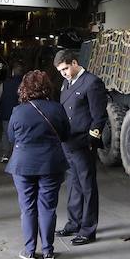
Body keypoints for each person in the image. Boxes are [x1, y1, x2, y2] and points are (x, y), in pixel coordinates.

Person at [6, 70, 70, 259]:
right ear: (47, 87)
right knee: (48, 207)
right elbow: (66, 134)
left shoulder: (18, 111)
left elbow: (11, 137)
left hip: (23, 165)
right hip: (51, 164)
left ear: (24, 89)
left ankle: (29, 251)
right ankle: (48, 251)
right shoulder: (57, 109)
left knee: (27, 208)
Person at [55, 50, 107, 246]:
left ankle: (88, 229)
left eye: (66, 68)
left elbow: (99, 117)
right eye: (60, 71)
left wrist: (91, 141)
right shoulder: (66, 83)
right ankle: (74, 222)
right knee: (73, 185)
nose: (64, 73)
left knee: (87, 187)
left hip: (83, 143)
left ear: (74, 62)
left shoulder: (92, 82)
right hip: (68, 142)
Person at [0, 60, 24, 165]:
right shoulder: (25, 83)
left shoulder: (6, 83)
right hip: (22, 115)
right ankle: (18, 155)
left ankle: (6, 155)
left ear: (13, 71)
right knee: (20, 134)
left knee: (6, 134)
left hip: (7, 113)